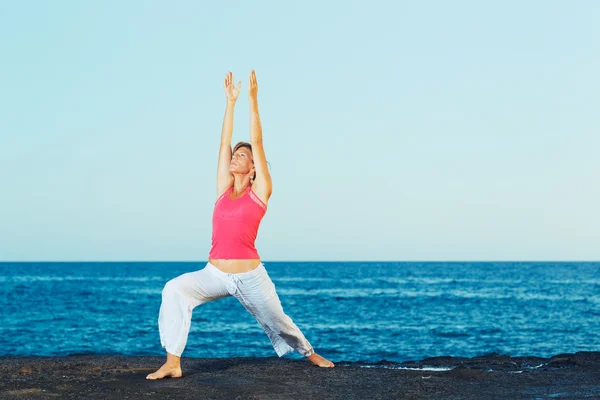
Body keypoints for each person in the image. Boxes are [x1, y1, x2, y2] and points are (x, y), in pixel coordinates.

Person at [147, 70, 334, 379]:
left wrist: (252, 100)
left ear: (253, 168)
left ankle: (309, 353)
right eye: (235, 154)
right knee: (174, 290)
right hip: (215, 274)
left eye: (242, 155)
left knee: (278, 319)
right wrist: (229, 103)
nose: (235, 156)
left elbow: (258, 141)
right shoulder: (223, 190)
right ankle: (173, 362)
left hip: (250, 276)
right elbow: (223, 143)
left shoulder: (260, 192)